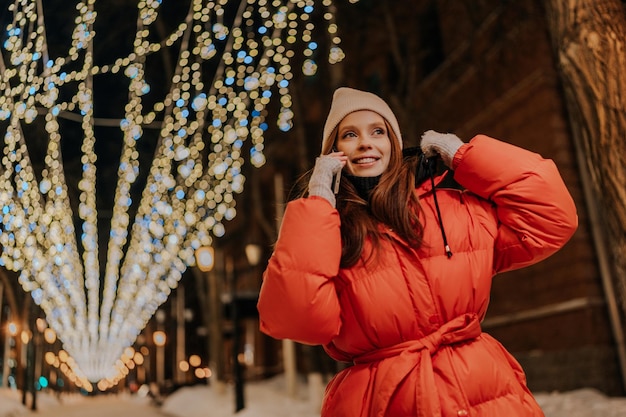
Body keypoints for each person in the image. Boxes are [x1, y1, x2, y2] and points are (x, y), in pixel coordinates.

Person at [257, 87, 578, 417]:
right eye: (349, 134)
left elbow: (552, 218)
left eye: (378, 131)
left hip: (485, 394)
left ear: (394, 144)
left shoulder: (453, 208)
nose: (365, 142)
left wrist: (464, 156)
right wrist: (319, 202)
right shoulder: (327, 234)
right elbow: (295, 319)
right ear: (333, 153)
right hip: (384, 401)